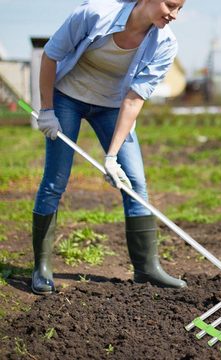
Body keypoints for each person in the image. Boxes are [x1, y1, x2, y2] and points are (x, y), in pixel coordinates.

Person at [32, 0, 186, 295]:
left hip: (112, 106)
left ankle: (147, 269)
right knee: (55, 181)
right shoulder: (95, 13)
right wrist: (47, 109)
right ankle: (41, 267)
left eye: (180, 8)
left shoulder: (165, 44)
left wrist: (112, 156)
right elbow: (51, 55)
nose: (174, 15)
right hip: (67, 97)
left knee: (135, 182)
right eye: (170, 4)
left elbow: (134, 99)